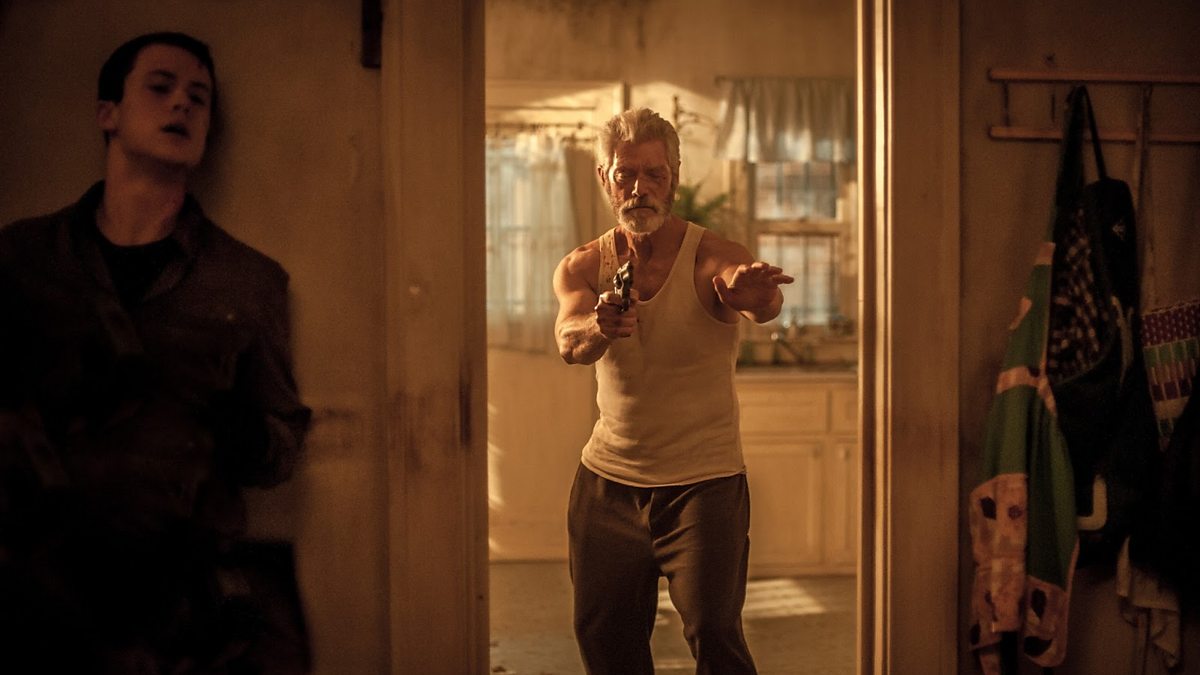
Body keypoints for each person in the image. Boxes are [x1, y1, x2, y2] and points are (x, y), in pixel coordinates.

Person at [0, 32, 311, 674]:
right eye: (161, 87)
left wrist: (243, 431)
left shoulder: (247, 282)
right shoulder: (21, 260)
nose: (182, 105)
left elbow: (280, 449)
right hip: (40, 599)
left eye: (199, 97)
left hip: (183, 614)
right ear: (107, 113)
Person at [553, 107, 794, 675]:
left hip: (704, 485)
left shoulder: (715, 256)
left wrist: (758, 298)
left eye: (654, 174)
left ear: (674, 179)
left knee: (715, 634)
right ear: (605, 179)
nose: (640, 188)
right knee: (604, 638)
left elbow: (761, 302)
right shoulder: (583, 265)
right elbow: (569, 341)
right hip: (608, 485)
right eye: (626, 174)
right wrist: (599, 326)